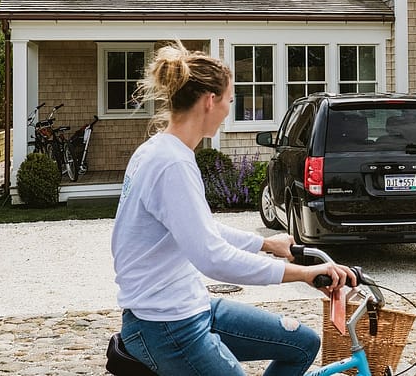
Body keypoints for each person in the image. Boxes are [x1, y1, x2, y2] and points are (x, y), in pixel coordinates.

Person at [111, 42, 355, 375]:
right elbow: (213, 258)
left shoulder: (159, 152)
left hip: (189, 308)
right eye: (230, 100)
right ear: (210, 101)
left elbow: (199, 230)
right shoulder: (171, 164)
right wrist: (302, 274)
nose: (229, 108)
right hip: (166, 324)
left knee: (303, 344)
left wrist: (266, 243)